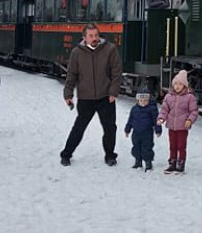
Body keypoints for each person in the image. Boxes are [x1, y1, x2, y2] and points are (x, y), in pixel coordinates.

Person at [59, 24, 123, 167]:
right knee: (79, 128)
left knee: (110, 128)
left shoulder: (110, 49)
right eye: (91, 36)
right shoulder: (77, 52)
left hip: (106, 97)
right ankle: (66, 154)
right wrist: (68, 94)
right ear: (84, 38)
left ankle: (110, 155)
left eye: (96, 35)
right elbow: (71, 75)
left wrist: (113, 92)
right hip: (85, 98)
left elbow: (116, 72)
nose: (94, 38)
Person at [157, 70, 198, 173]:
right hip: (171, 126)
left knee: (181, 146)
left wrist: (190, 120)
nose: (177, 86)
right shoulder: (168, 97)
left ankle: (181, 163)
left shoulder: (189, 97)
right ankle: (172, 162)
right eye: (175, 84)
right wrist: (161, 118)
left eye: (180, 84)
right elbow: (164, 109)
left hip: (182, 127)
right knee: (172, 146)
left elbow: (194, 111)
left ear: (184, 85)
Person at [125, 92, 161, 171]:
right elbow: (130, 120)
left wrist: (158, 129)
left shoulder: (152, 109)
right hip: (136, 132)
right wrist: (127, 129)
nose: (143, 102)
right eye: (141, 100)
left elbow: (156, 120)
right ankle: (138, 161)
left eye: (145, 100)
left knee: (147, 147)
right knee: (136, 147)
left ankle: (148, 162)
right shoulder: (134, 109)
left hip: (147, 132)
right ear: (137, 101)